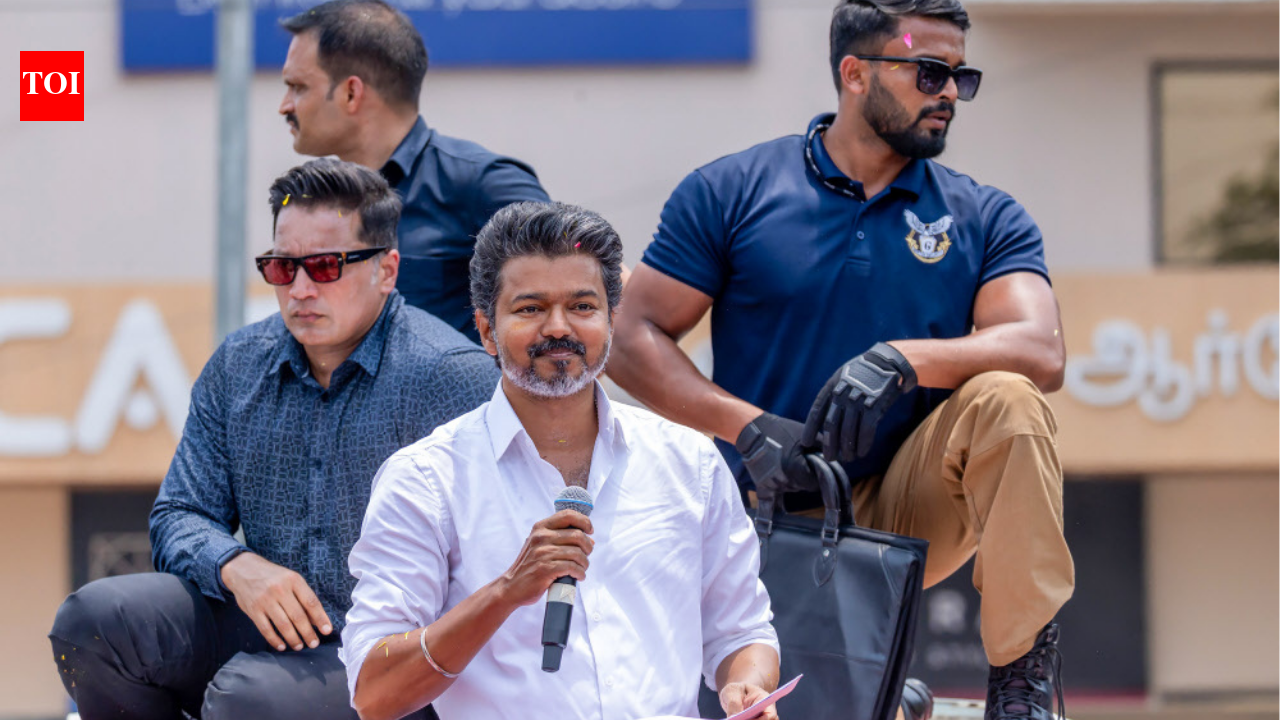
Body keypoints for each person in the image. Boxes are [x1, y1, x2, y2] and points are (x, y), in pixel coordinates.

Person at [607, 0, 1074, 718]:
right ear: (855, 73)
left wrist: (900, 359)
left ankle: (1021, 684)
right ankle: (887, 696)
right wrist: (746, 427)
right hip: (761, 510)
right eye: (930, 72)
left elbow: (1041, 349)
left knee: (1011, 400)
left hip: (904, 507)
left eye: (961, 76)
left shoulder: (984, 215)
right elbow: (629, 334)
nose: (950, 93)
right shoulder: (733, 190)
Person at [48, 159, 499, 720]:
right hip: (260, 621)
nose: (301, 289)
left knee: (249, 699)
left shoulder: (452, 378)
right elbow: (179, 513)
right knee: (94, 623)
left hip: (390, 655)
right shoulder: (238, 365)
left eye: (326, 266)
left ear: (387, 270)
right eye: (283, 267)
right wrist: (236, 565)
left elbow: (493, 559)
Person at [340, 202, 781, 720]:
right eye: (530, 309)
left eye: (582, 306)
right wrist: (505, 593)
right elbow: (375, 693)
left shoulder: (690, 462)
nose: (557, 327)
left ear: (611, 322)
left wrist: (746, 687)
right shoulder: (426, 479)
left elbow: (741, 631)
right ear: (486, 330)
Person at [279, 0, 550, 343]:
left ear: (351, 93)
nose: (284, 106)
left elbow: (580, 299)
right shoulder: (319, 198)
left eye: (298, 86)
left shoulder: (481, 184)